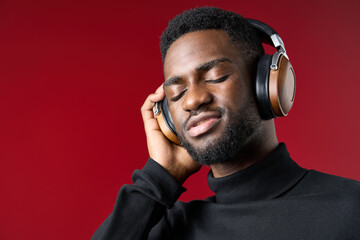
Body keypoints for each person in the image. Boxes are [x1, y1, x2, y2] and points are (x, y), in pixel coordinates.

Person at [92, 7, 360, 239]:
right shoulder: (169, 228)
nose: (193, 100)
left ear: (267, 83)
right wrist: (159, 178)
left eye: (216, 76)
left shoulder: (351, 208)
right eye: (177, 93)